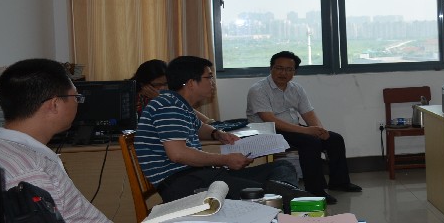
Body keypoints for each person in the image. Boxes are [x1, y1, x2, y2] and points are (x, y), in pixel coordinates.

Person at [0, 58, 130, 223]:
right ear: (55, 104)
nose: (78, 104)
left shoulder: (8, 149)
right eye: (76, 97)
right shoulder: (31, 172)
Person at [135, 55, 303, 202]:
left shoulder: (178, 104)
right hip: (185, 184)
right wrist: (225, 159)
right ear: (191, 83)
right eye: (209, 77)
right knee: (273, 193)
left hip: (201, 176)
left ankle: (279, 198)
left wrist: (217, 134)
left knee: (282, 167)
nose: (213, 83)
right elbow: (178, 154)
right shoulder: (168, 106)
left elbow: (199, 127)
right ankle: (286, 202)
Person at [246, 51, 360, 205]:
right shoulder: (258, 89)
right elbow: (270, 120)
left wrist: (320, 130)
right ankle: (315, 190)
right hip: (268, 131)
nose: (283, 73)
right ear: (271, 68)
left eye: (289, 69)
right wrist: (307, 131)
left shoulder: (296, 89)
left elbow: (308, 113)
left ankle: (339, 182)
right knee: (310, 142)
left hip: (293, 128)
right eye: (279, 68)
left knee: (334, 139)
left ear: (294, 72)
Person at [132, 58, 214, 124]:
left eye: (166, 83)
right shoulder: (135, 100)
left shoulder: (168, 94)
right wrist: (160, 100)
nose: (163, 88)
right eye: (158, 85)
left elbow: (183, 109)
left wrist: (209, 123)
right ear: (143, 85)